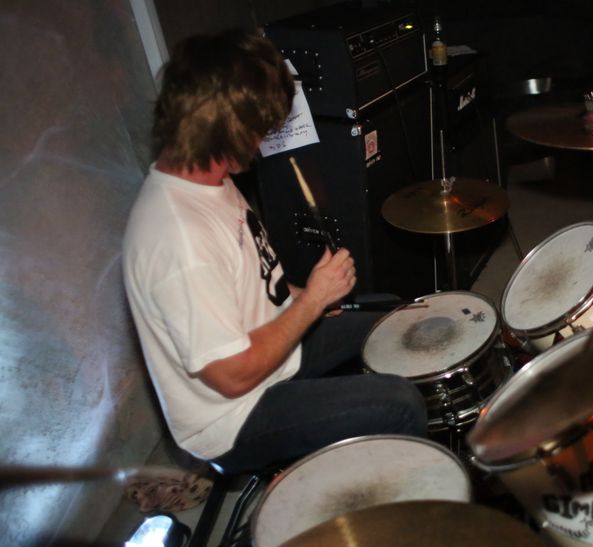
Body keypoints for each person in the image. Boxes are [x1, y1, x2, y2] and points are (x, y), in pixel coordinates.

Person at [123, 30, 427, 474]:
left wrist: (304, 296)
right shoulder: (178, 239)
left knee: (396, 318)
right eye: (260, 129)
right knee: (401, 403)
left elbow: (247, 283)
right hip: (233, 418)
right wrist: (312, 302)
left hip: (272, 356)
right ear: (229, 127)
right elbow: (232, 375)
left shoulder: (207, 180)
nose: (262, 142)